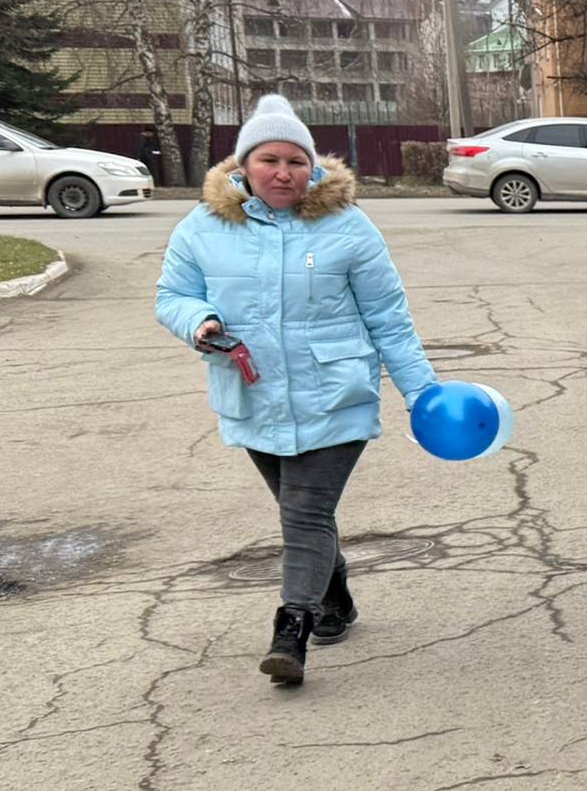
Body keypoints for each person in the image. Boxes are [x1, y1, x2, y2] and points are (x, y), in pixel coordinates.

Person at [154, 93, 437, 686]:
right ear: (242, 166)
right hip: (253, 395)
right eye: (269, 160)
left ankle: (292, 628)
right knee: (301, 511)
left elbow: (388, 316)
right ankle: (336, 597)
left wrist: (422, 393)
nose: (283, 173)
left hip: (337, 395)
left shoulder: (348, 225)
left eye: (295, 161)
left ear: (314, 167)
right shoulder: (203, 226)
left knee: (304, 515)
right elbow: (171, 296)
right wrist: (198, 320)